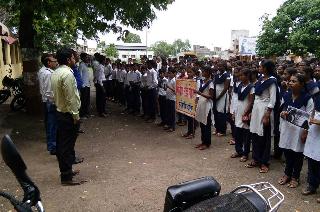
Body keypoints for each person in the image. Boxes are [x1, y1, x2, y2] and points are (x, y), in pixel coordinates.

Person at [51, 48, 86, 185]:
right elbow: (71, 98)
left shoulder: (56, 72)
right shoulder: (67, 74)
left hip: (60, 112)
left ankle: (67, 171)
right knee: (66, 146)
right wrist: (76, 116)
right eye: (73, 57)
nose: (74, 59)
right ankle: (66, 176)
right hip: (68, 115)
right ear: (67, 59)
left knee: (63, 145)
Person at [278, 74, 313, 189]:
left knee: (297, 153)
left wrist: (305, 131)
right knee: (287, 151)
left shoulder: (307, 98)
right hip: (287, 128)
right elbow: (282, 108)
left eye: (294, 81)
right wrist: (282, 113)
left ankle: (295, 177)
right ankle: (287, 173)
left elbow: (310, 116)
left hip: (299, 131)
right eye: (290, 81)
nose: (290, 83)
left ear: (302, 84)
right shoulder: (286, 95)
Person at [247, 60, 278, 173]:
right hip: (256, 108)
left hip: (265, 109)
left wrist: (267, 115)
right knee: (255, 134)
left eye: (261, 66)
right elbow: (256, 96)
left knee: (264, 136)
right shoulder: (260, 79)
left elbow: (273, 99)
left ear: (266, 68)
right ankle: (256, 158)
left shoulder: (272, 82)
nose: (259, 68)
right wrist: (251, 111)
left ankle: (264, 162)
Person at [231, 68, 254, 162]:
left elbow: (251, 102)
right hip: (238, 110)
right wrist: (234, 111)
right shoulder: (240, 85)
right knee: (237, 133)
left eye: (242, 75)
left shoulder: (251, 87)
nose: (240, 77)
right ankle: (238, 150)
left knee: (246, 134)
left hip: (245, 111)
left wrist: (246, 112)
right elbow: (237, 100)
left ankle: (245, 153)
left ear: (247, 76)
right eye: (239, 75)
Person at [38, 53, 58, 155]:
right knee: (52, 124)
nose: (56, 62)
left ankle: (50, 144)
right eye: (54, 61)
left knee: (49, 124)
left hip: (45, 100)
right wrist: (55, 102)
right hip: (50, 101)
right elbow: (50, 91)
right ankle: (52, 146)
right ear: (49, 63)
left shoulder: (42, 71)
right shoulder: (49, 74)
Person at [195, 66, 214, 150]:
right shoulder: (203, 81)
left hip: (207, 105)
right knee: (202, 124)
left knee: (206, 124)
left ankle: (207, 143)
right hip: (202, 104)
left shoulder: (210, 83)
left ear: (208, 73)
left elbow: (211, 96)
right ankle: (203, 141)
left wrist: (200, 93)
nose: (202, 73)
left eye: (204, 71)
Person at [213, 61, 230, 136]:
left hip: (222, 96)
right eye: (218, 66)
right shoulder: (217, 75)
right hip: (216, 96)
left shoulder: (227, 75)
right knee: (216, 113)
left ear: (224, 67)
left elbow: (226, 88)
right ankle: (217, 129)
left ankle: (222, 131)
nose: (219, 68)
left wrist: (218, 97)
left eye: (221, 66)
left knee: (221, 113)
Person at [164, 67, 176, 132]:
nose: (169, 74)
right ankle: (169, 125)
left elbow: (176, 91)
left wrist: (169, 88)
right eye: (168, 73)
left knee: (172, 114)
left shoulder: (174, 81)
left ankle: (172, 127)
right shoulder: (169, 79)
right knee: (168, 113)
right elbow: (167, 88)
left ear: (174, 74)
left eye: (170, 73)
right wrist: (166, 88)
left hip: (172, 99)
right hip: (168, 97)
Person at [79, 53, 91, 118]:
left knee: (87, 100)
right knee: (83, 101)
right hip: (84, 86)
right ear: (83, 58)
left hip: (87, 85)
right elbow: (80, 76)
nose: (87, 58)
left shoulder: (86, 65)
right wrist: (82, 85)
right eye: (86, 57)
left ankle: (86, 113)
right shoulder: (81, 65)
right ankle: (82, 114)